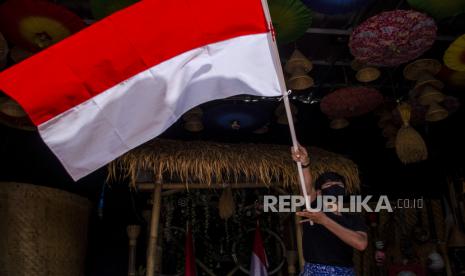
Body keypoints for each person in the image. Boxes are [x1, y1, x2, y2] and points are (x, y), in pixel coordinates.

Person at [291, 144, 368, 276]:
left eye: (338, 184)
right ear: (319, 193)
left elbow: (361, 244)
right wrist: (305, 164)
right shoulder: (313, 210)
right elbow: (307, 189)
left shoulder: (353, 219)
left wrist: (324, 220)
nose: (334, 186)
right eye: (328, 185)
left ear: (344, 191)